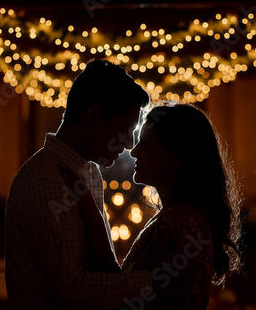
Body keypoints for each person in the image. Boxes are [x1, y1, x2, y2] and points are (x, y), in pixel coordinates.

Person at [4, 59, 152, 310]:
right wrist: (154, 281)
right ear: (93, 116)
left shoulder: (88, 171)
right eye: (124, 128)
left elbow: (101, 266)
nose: (129, 144)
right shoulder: (47, 181)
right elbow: (73, 288)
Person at [70, 101, 243, 310]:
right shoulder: (180, 215)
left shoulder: (181, 221)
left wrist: (91, 212)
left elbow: (124, 293)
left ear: (177, 158)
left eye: (145, 144)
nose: (133, 153)